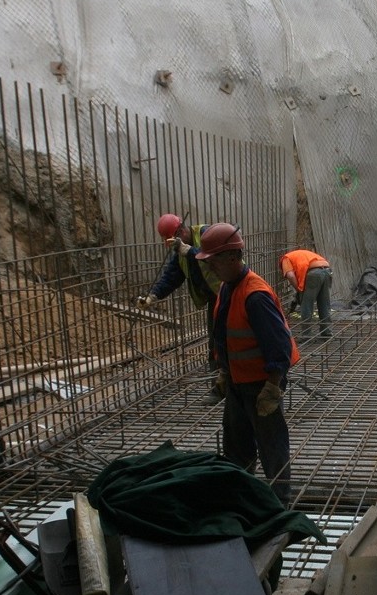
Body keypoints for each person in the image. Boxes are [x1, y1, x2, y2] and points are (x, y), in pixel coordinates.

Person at [197, 222, 299, 505]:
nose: (210, 267)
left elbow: (278, 345)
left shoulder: (255, 295)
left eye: (213, 260)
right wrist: (224, 372)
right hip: (237, 383)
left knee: (271, 446)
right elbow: (226, 335)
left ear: (232, 257)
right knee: (237, 445)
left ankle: (280, 502)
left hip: (261, 385)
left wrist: (273, 388)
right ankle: (241, 498)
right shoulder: (228, 288)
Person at [137, 213, 223, 403]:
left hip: (232, 293)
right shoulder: (180, 254)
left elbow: (219, 255)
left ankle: (240, 384)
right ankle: (219, 389)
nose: (174, 244)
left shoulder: (206, 232)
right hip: (214, 300)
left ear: (182, 230)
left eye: (174, 238)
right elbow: (171, 277)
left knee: (236, 340)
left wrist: (191, 251)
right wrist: (153, 296)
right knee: (216, 344)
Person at [279, 248, 333, 338]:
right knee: (324, 303)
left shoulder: (285, 259)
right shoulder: (299, 255)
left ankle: (306, 335)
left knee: (306, 305)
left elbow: (291, 276)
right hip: (327, 270)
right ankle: (326, 332)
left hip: (313, 273)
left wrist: (299, 289)